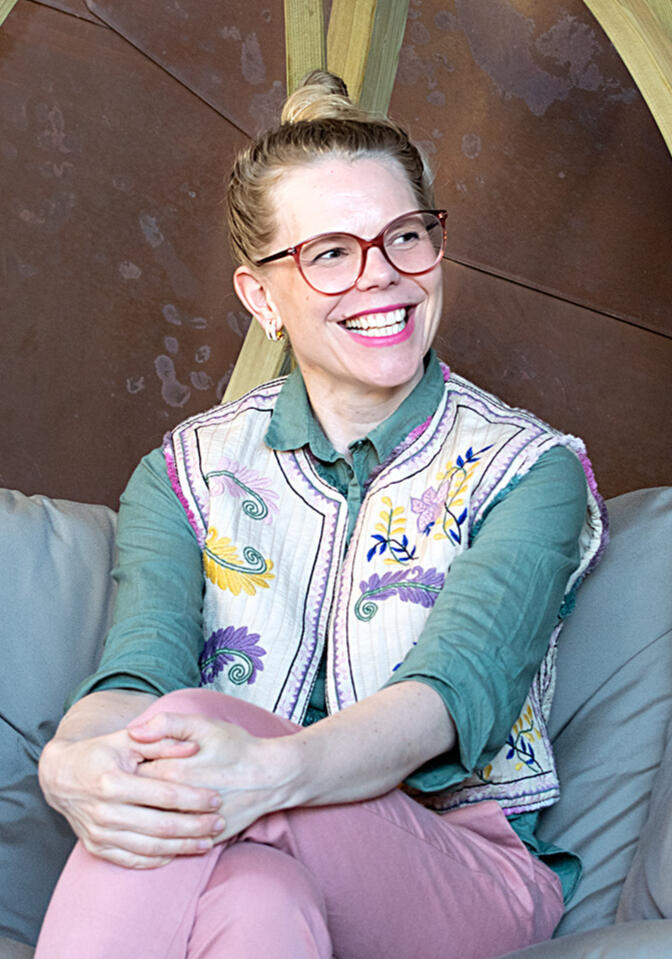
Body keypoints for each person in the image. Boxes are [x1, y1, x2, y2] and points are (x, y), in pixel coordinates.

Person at [35, 71, 606, 959]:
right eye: (331, 253)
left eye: (405, 236)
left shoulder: (530, 469)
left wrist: (268, 772)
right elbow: (137, 672)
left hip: (463, 870)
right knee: (255, 903)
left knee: (189, 748)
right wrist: (69, 759)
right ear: (261, 296)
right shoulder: (186, 470)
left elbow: (450, 697)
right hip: (238, 838)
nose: (382, 275)